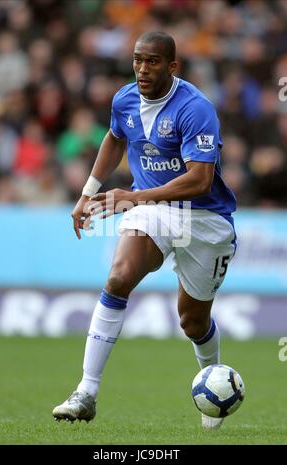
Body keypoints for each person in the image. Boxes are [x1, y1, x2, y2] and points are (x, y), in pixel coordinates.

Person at [52, 32, 236, 430]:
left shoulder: (195, 108)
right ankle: (86, 391)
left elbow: (200, 181)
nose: (142, 69)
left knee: (192, 322)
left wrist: (133, 197)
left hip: (205, 219)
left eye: (152, 61)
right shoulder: (124, 100)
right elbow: (115, 137)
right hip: (152, 209)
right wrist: (89, 193)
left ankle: (214, 382)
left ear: (173, 66)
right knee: (118, 278)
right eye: (137, 60)